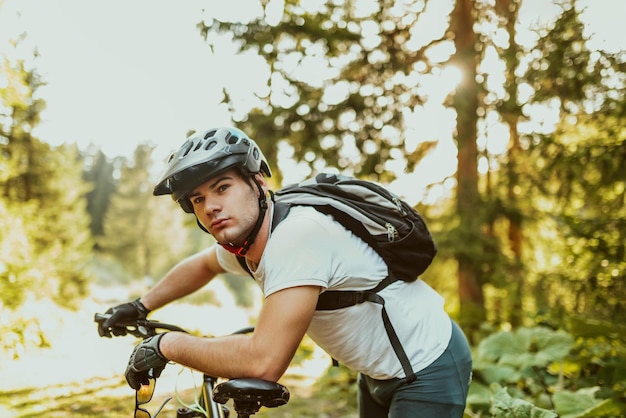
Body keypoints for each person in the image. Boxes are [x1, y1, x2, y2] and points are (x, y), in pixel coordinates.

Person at [97, 126, 472, 418]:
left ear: (257, 183)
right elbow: (204, 264)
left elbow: (264, 362)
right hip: (376, 371)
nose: (211, 206)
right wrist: (140, 305)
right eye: (198, 199)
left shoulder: (296, 237)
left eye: (222, 187)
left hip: (426, 365)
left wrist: (164, 345)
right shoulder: (247, 243)